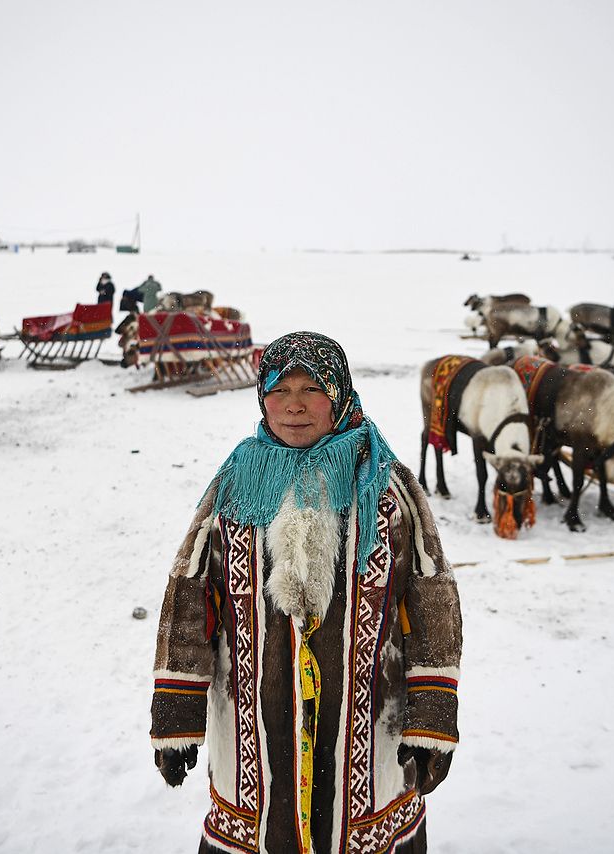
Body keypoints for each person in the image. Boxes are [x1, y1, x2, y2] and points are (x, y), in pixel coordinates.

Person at [150, 331, 462, 854]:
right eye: (279, 388)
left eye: (312, 388)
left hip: (368, 738)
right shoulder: (235, 485)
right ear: (261, 397)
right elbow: (190, 598)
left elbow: (431, 599)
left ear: (338, 395)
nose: (294, 405)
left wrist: (432, 715)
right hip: (254, 740)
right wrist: (177, 712)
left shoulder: (386, 488)